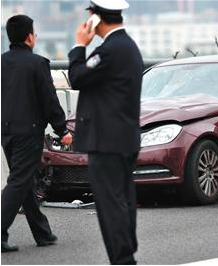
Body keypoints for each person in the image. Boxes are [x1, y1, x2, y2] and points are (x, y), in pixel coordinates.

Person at [68, 0, 143, 264]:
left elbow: (77, 77)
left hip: (107, 141)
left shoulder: (110, 50)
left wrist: (79, 45)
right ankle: (126, 255)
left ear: (96, 19)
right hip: (123, 138)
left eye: (90, 15)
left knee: (111, 205)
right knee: (123, 201)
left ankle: (122, 260)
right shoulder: (128, 46)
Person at [1, 15, 72, 252]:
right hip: (28, 133)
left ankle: (42, 233)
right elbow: (49, 101)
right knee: (19, 181)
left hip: (6, 132)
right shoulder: (37, 63)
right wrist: (62, 129)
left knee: (25, 181)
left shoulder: (2, 62)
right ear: (30, 37)